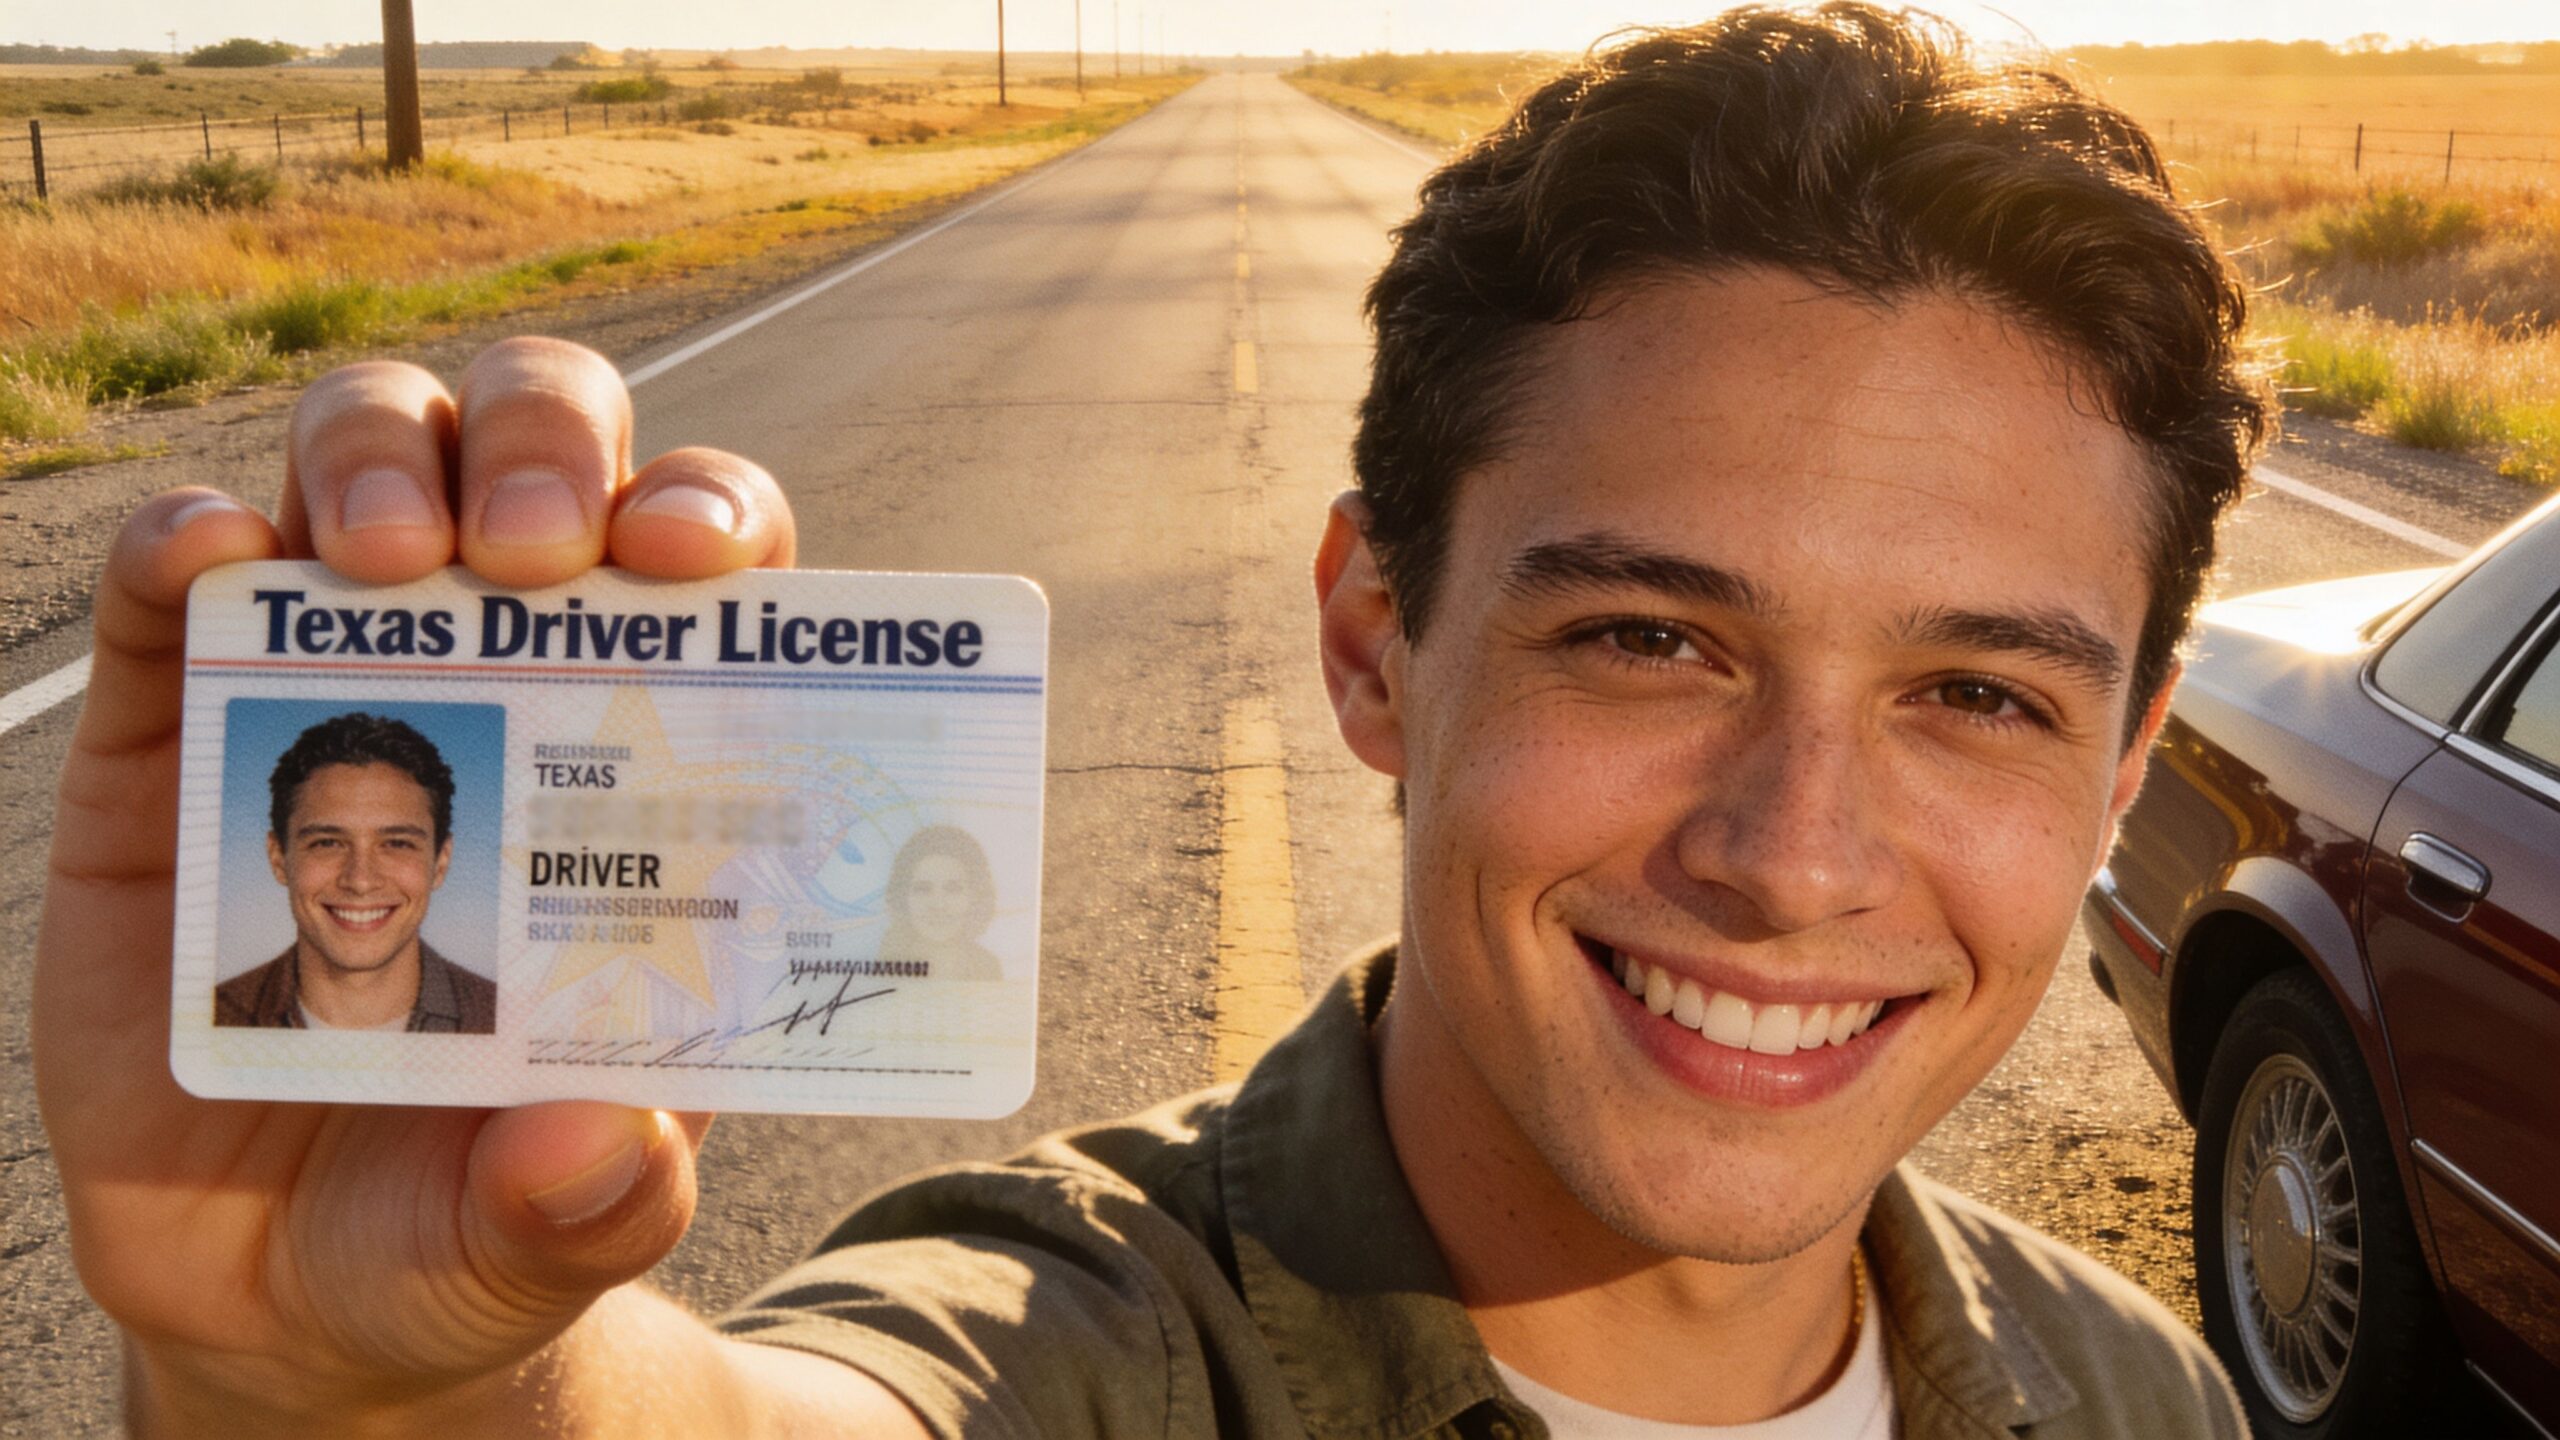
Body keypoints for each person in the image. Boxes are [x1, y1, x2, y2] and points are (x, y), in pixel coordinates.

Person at [33, 5, 2271, 1435]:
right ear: (1374, 641)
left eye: (1971, 695)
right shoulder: (1079, 1350)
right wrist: (365, 1396)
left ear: (2119, 757)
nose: (1792, 855)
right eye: (1645, 643)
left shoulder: (2132, 1391)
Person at [214, 710, 497, 1033]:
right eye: (328, 843)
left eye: (397, 844)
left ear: (441, 862)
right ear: (279, 858)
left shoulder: (498, 1018)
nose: (360, 880)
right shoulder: (214, 1018)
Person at [877, 826, 1005, 981]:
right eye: (923, 889)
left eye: (953, 889)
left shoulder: (987, 967)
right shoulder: (885, 965)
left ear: (975, 897)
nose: (938, 905)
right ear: (903, 898)